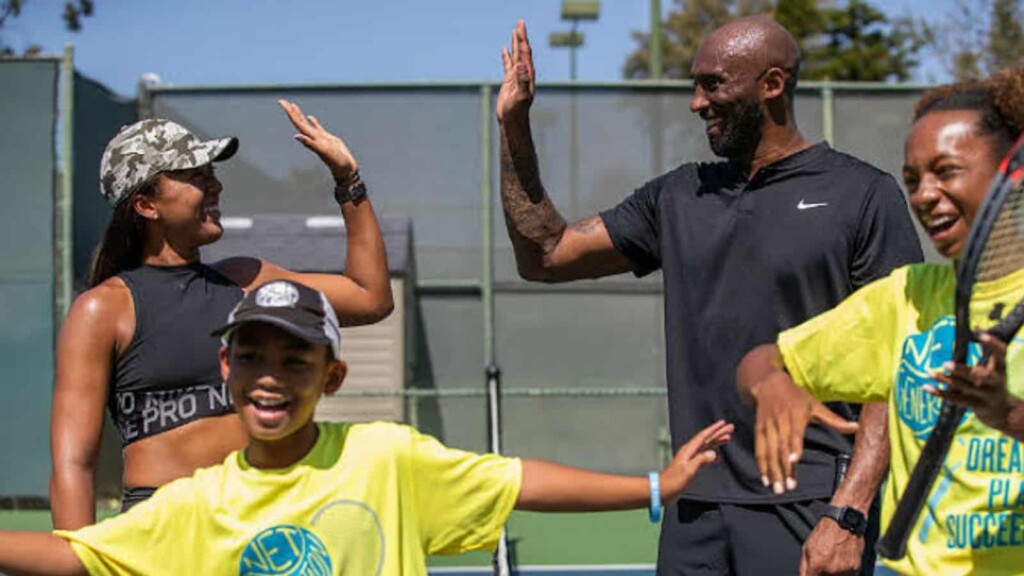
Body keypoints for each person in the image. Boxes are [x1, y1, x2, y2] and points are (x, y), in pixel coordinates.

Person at [497, 15, 924, 576]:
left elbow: (898, 365)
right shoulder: (678, 195)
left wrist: (848, 513)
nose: (697, 103)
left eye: (713, 84)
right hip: (695, 505)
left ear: (772, 85)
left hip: (812, 505)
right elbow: (546, 255)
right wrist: (514, 126)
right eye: (695, 85)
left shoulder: (862, 195)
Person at [0, 279, 735, 575]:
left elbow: (516, 481)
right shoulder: (196, 503)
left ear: (333, 377)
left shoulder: (384, 455)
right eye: (251, 354)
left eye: (296, 359)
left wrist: (654, 484)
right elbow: (76, 557)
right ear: (225, 368)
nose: (268, 375)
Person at [50, 100, 394, 529]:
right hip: (161, 534)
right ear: (145, 205)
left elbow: (370, 297)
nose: (214, 187)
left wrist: (348, 180)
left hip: (265, 523)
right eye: (196, 177)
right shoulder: (102, 310)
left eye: (212, 174)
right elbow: (74, 464)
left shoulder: (248, 279)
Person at [737, 66, 1024, 575]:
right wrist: (770, 386)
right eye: (913, 180)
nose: (923, 195)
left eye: (946, 170)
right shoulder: (905, 297)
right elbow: (761, 362)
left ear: (1011, 172)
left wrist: (1009, 415)